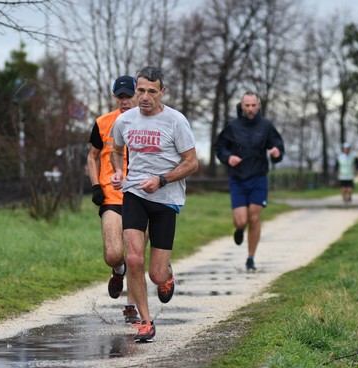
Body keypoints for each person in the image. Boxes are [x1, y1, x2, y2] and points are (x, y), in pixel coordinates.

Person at [110, 66, 198, 341]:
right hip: (135, 193)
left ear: (162, 92)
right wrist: (117, 172)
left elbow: (192, 162)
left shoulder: (176, 121)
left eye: (151, 91)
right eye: (140, 91)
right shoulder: (125, 121)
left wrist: (162, 180)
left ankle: (167, 276)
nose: (145, 97)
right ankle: (145, 322)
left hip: (166, 199)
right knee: (133, 258)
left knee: (156, 274)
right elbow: (115, 150)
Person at [87, 75, 140, 324]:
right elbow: (92, 156)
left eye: (128, 96)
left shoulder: (149, 122)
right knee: (113, 253)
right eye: (120, 96)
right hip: (111, 194)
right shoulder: (102, 123)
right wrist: (96, 185)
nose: (124, 101)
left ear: (137, 95)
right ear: (114, 97)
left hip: (140, 194)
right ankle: (117, 270)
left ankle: (131, 306)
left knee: (135, 255)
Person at [214, 91, 284, 272]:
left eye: (253, 105)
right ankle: (238, 229)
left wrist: (276, 153)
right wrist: (228, 157)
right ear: (242, 106)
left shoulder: (266, 125)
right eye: (247, 106)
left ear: (258, 106)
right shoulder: (232, 126)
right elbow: (220, 147)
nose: (251, 109)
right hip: (237, 179)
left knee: (254, 217)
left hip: (258, 178)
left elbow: (277, 145)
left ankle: (250, 258)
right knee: (241, 220)